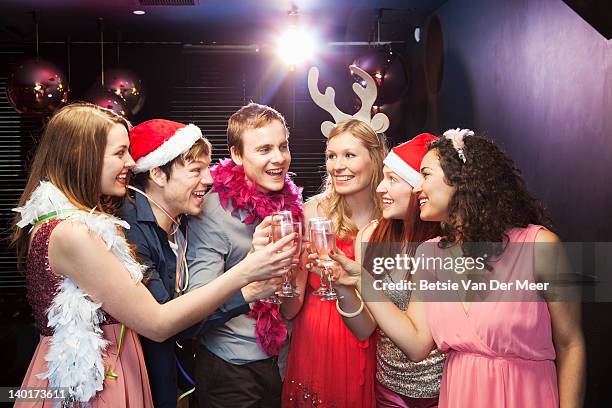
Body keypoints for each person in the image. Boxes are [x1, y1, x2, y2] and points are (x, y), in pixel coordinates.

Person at [11, 103, 295, 407]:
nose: (132, 163)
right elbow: (158, 322)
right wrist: (247, 274)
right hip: (93, 380)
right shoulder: (74, 233)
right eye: (120, 153)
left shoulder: (91, 223)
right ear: (83, 156)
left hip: (121, 370)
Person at [329, 129, 587, 407]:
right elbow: (416, 344)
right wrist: (360, 279)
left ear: (460, 180)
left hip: (523, 395)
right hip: (460, 395)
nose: (417, 187)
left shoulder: (540, 246)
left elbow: (571, 345)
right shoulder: (430, 254)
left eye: (425, 175)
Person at [122, 119, 277, 407]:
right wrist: (247, 285)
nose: (208, 179)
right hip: (138, 380)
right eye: (196, 170)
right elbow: (167, 323)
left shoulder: (178, 226)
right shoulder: (131, 231)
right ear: (157, 173)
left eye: (207, 168)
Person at [281, 65, 391, 408]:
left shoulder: (391, 221)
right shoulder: (313, 214)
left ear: (374, 160)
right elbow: (289, 308)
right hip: (314, 342)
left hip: (369, 345)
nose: (337, 165)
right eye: (331, 156)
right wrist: (285, 271)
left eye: (349, 155)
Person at [186, 102, 303, 407]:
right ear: (237, 155)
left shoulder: (288, 203)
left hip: (280, 361)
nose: (278, 158)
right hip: (231, 368)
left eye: (283, 146)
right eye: (264, 149)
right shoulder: (213, 209)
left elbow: (289, 299)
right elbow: (197, 303)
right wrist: (253, 267)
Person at [329, 133, 444, 408]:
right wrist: (342, 284)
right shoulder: (370, 236)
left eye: (393, 179)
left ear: (420, 189)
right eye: (383, 177)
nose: (380, 188)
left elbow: (419, 346)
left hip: (442, 391)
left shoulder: (442, 245)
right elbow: (365, 328)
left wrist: (361, 278)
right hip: (388, 391)